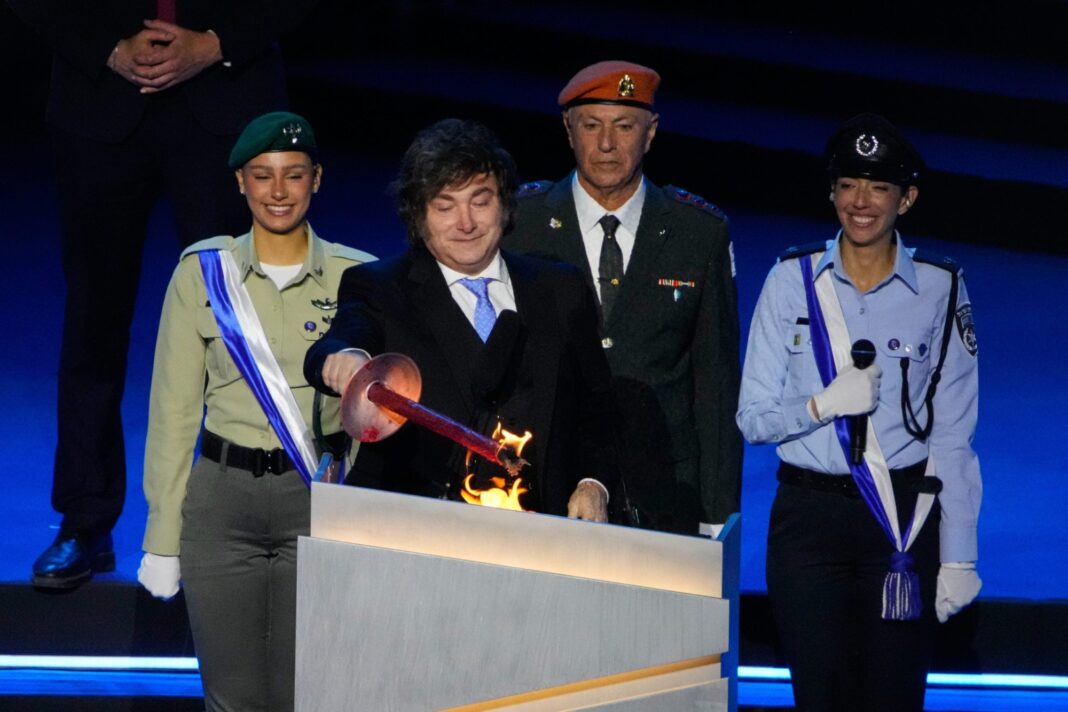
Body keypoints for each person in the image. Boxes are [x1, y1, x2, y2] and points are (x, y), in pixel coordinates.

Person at [8, 0, 319, 588]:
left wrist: (217, 40)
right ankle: (85, 520)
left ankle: (241, 519)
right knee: (94, 316)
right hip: (98, 102)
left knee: (237, 316)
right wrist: (106, 46)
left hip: (227, 103)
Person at [736, 113, 982, 711]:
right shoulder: (791, 280)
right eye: (848, 184)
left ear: (907, 198)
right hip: (807, 524)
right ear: (831, 192)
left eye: (878, 187)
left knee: (893, 699)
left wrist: (959, 554)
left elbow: (953, 433)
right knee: (820, 697)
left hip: (899, 525)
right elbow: (753, 418)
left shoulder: (942, 287)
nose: (861, 202)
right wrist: (820, 405)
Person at [137, 112, 375, 711]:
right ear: (240, 182)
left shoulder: (360, 276)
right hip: (223, 505)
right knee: (232, 700)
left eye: (293, 175)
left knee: (312, 695)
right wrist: (161, 538)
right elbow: (172, 414)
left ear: (316, 180)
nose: (277, 192)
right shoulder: (203, 274)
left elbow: (377, 416)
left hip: (319, 498)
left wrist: (366, 515)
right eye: (262, 175)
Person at [304, 118, 617, 520]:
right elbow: (342, 339)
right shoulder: (380, 287)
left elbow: (598, 407)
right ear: (419, 216)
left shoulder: (560, 288)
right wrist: (344, 357)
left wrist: (593, 484)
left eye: (480, 201)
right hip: (417, 536)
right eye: (445, 206)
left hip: (543, 536)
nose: (466, 223)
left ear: (504, 205)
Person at [505, 60, 742, 533]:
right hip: (545, 479)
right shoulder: (521, 223)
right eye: (591, 125)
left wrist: (718, 518)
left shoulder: (698, 233)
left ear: (650, 132)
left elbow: (715, 387)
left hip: (664, 488)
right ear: (568, 129)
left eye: (624, 126)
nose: (607, 144)